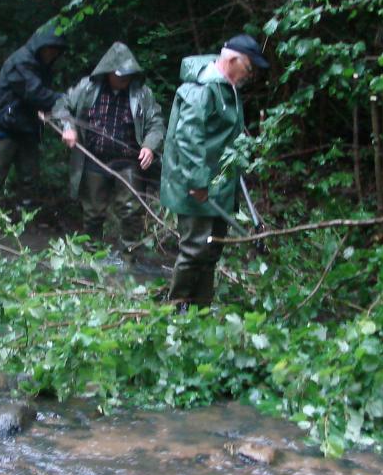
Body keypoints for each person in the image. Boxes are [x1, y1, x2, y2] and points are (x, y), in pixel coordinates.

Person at [159, 33, 269, 306]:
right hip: (196, 184)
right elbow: (187, 138)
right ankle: (178, 308)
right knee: (195, 248)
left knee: (211, 248)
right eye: (248, 67)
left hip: (219, 184)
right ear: (232, 59)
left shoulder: (226, 88)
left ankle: (200, 308)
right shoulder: (203, 89)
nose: (250, 75)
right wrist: (197, 181)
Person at [52, 42, 165, 259]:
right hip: (94, 158)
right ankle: (92, 258)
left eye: (128, 75)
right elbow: (61, 105)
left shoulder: (142, 94)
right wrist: (68, 127)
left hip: (129, 161)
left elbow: (156, 123)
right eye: (120, 75)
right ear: (108, 71)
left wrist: (150, 146)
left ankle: (129, 258)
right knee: (93, 213)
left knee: (131, 211)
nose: (124, 79)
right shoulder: (87, 88)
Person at [0, 23, 67, 206]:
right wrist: (66, 99)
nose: (52, 54)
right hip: (5, 127)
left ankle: (24, 228)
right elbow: (35, 93)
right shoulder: (20, 61)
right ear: (40, 46)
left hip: (28, 129)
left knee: (29, 182)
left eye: (56, 50)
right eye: (49, 49)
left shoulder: (42, 67)